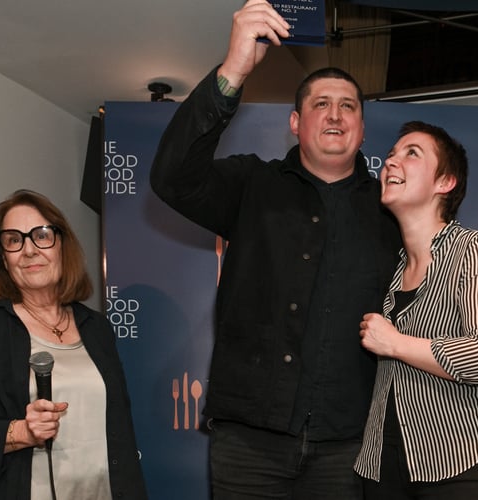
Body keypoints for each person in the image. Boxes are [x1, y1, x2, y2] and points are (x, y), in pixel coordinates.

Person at [149, 1, 401, 498]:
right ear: (294, 122)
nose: (334, 114)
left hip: (348, 447)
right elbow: (172, 178)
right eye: (320, 104)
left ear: (363, 130)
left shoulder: (392, 211)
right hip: (249, 443)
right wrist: (234, 70)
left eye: (348, 105)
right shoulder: (252, 185)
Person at [353, 121, 478, 499]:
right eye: (391, 155)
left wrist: (395, 343)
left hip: (460, 462)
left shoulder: (473, 248)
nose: (392, 162)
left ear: (446, 182)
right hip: (382, 465)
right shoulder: (391, 265)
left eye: (411, 154)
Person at [0, 189, 147, 500]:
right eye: (13, 240)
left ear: (62, 246)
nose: (29, 250)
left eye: (41, 235)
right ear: (3, 259)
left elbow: (123, 437)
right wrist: (21, 432)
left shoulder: (97, 328)